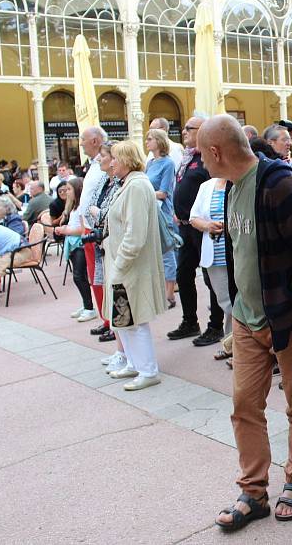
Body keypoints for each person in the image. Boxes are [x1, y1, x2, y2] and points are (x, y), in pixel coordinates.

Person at [200, 115, 292, 531]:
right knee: (244, 407)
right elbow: (241, 250)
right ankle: (253, 491)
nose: (200, 161)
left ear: (217, 152)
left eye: (202, 153)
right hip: (247, 319)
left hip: (285, 319)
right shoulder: (232, 186)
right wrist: (239, 305)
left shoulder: (280, 184)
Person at [103, 141, 165, 391]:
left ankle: (148, 370)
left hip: (130, 266)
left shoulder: (137, 186)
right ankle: (134, 363)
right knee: (124, 318)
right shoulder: (130, 184)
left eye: (115, 159)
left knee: (135, 319)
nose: (112, 163)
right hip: (124, 264)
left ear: (127, 160)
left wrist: (120, 263)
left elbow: (135, 233)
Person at [169, 115, 225, 344]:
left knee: (210, 277)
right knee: (183, 273)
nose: (184, 131)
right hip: (185, 226)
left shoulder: (207, 157)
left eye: (189, 128)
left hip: (202, 228)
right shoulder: (187, 157)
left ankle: (215, 326)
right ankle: (190, 321)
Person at [190, 176, 233, 349]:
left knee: (240, 303)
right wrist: (208, 226)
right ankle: (234, 345)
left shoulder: (237, 181)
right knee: (227, 303)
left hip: (238, 253)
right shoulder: (206, 186)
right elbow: (194, 217)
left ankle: (236, 348)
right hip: (216, 256)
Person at [86, 141, 119, 345]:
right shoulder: (103, 181)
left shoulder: (120, 183)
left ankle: (115, 326)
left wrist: (98, 216)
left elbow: (108, 213)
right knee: (100, 283)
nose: (99, 158)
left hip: (111, 242)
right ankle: (108, 321)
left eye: (103, 155)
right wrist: (96, 217)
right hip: (99, 239)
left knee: (114, 287)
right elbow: (91, 205)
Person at [54, 177, 97, 323]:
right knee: (79, 276)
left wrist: (66, 230)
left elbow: (82, 229)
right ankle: (86, 304)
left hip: (79, 243)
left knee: (79, 276)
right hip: (72, 243)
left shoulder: (80, 208)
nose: (66, 192)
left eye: (69, 189)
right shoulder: (72, 207)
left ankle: (89, 308)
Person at [145, 129, 179, 309]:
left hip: (163, 213)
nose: (147, 142)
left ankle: (169, 292)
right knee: (155, 253)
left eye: (150, 139)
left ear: (159, 141)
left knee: (167, 252)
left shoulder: (168, 163)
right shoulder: (150, 163)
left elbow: (164, 192)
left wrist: (144, 193)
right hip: (151, 212)